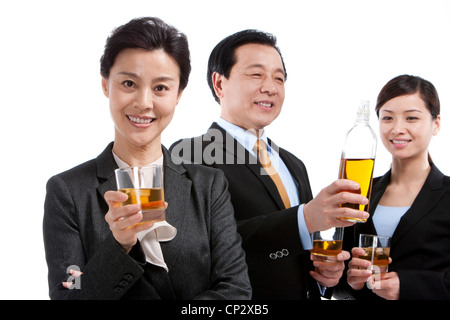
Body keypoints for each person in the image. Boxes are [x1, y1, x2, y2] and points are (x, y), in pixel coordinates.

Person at [43, 17, 251, 300]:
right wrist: (119, 246)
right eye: (129, 83)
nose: (144, 102)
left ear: (178, 94)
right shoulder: (68, 192)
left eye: (161, 88)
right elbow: (69, 293)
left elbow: (236, 291)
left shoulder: (209, 186)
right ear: (106, 85)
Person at [170, 29, 369, 299]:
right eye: (256, 74)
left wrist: (325, 273)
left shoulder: (293, 164)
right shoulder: (189, 154)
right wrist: (305, 218)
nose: (271, 87)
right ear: (219, 84)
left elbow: (294, 247)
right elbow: (201, 249)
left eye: (279, 78)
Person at [336, 74, 450, 300]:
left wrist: (407, 286)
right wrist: (353, 282)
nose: (397, 129)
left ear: (435, 124)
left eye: (411, 118)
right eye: (387, 118)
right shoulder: (360, 193)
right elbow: (338, 282)